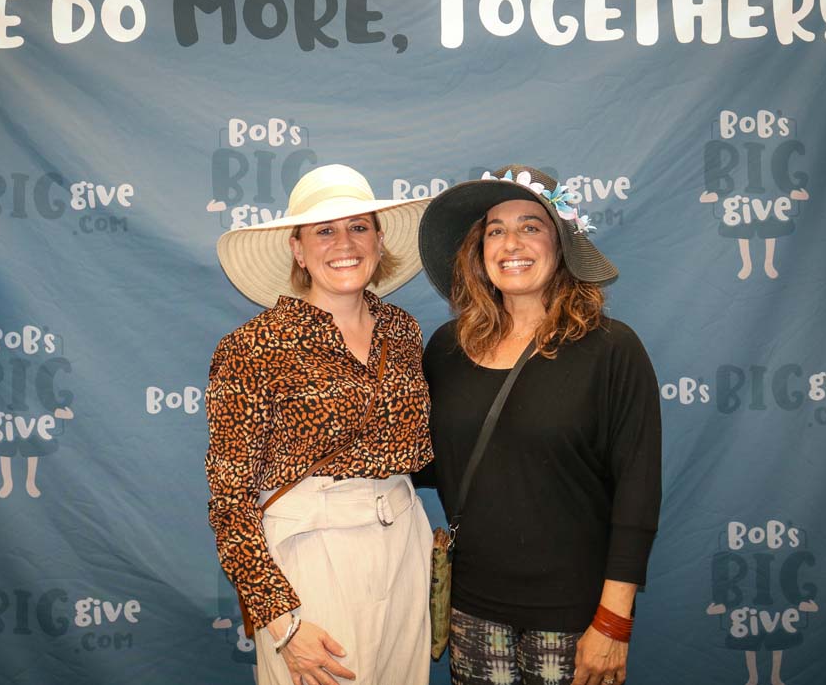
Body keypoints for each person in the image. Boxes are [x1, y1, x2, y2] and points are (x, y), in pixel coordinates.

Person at [416, 165, 661, 685]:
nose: (511, 244)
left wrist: (613, 622)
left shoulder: (612, 350)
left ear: (561, 244)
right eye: (495, 230)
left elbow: (637, 494)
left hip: (574, 617)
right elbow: (425, 463)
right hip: (471, 611)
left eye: (530, 226)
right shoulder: (446, 349)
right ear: (479, 249)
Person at [205, 164, 435, 685]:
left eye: (358, 227)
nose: (344, 244)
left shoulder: (402, 331)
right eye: (324, 231)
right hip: (310, 553)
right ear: (298, 250)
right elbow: (230, 500)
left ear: (379, 240)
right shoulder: (253, 346)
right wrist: (281, 621)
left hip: (405, 542)